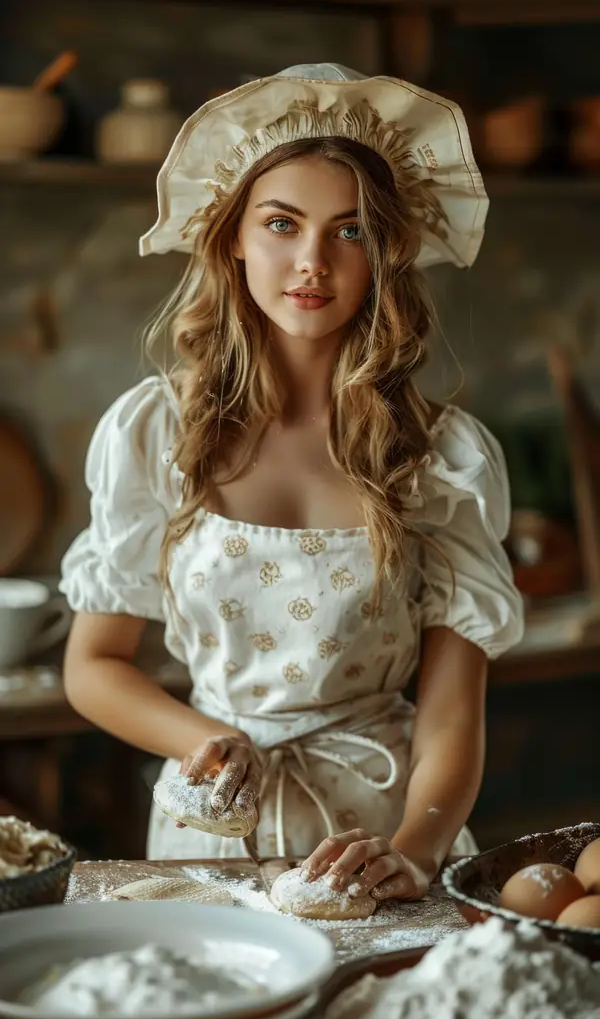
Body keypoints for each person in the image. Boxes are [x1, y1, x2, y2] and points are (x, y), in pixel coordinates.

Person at [60, 63, 524, 904]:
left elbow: (453, 711)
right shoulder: (157, 433)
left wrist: (414, 853)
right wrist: (205, 739)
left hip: (382, 833)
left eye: (349, 232)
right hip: (213, 836)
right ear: (232, 233)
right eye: (282, 223)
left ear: (387, 249)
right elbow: (93, 665)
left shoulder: (441, 455)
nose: (312, 261)